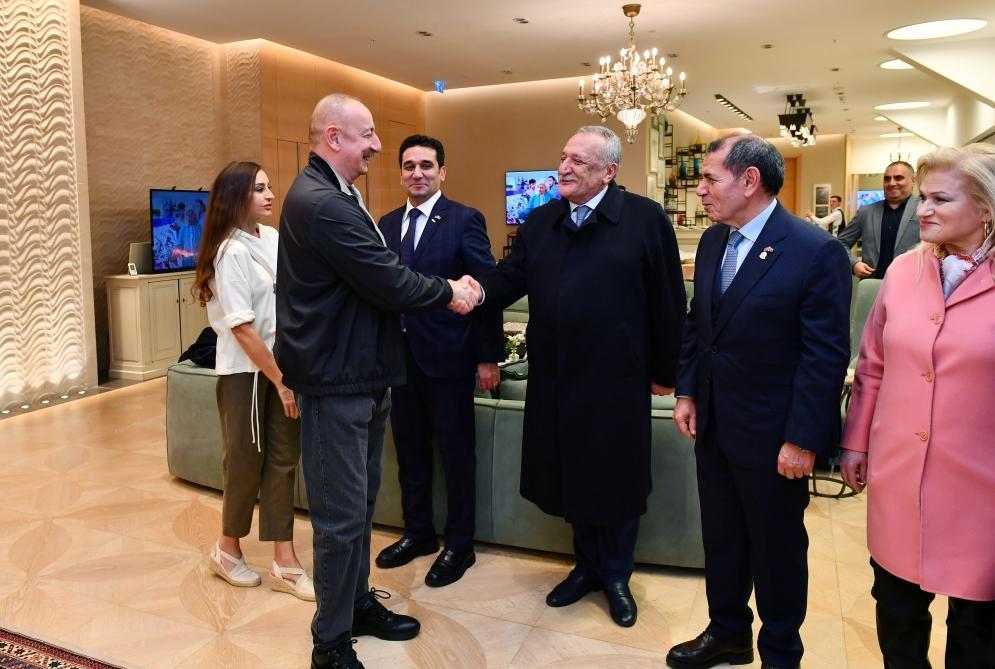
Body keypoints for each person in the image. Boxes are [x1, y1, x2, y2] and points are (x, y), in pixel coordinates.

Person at [274, 94, 479, 669]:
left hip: (360, 374)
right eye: (367, 134)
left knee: (359, 509)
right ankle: (330, 644)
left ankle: (356, 605)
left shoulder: (340, 193)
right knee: (339, 521)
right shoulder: (322, 202)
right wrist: (450, 291)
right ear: (333, 137)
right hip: (336, 382)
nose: (378, 146)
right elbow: (387, 279)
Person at [477, 125, 686, 628]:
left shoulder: (645, 219)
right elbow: (509, 279)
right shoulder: (541, 221)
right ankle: (586, 567)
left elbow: (668, 300)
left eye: (579, 162)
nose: (564, 169)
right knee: (570, 474)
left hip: (618, 379)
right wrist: (469, 292)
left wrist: (666, 371)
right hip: (556, 377)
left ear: (609, 172)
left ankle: (616, 575)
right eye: (563, 157)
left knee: (615, 478)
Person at [668, 134, 851, 669]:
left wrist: (803, 438)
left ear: (749, 181)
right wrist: (687, 390)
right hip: (714, 425)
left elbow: (824, 355)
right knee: (722, 539)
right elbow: (697, 325)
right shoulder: (712, 242)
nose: (700, 189)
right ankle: (727, 632)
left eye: (710, 178)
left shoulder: (815, 250)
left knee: (776, 550)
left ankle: (780, 652)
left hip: (775, 436)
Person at [840, 144, 995, 669]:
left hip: (982, 489)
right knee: (898, 618)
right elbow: (872, 365)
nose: (922, 210)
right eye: (922, 197)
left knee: (977, 632)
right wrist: (856, 443)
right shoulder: (903, 272)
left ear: (986, 207)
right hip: (901, 478)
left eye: (940, 200)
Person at [374, 134, 503, 586]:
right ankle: (418, 533)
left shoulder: (465, 219)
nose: (417, 173)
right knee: (409, 452)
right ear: (400, 173)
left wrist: (488, 357)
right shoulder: (387, 224)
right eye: (409, 166)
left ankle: (460, 544)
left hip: (449, 357)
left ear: (442, 172)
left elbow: (485, 291)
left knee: (456, 454)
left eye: (426, 165)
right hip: (400, 360)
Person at [192, 162, 314, 602]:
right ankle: (227, 550)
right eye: (259, 188)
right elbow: (242, 328)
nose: (270, 195)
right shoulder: (229, 251)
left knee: (283, 460)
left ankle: (285, 560)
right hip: (246, 373)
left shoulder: (274, 238)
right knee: (245, 462)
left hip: (281, 367)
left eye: (269, 186)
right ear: (236, 196)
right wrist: (280, 382)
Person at [838, 161, 920, 278]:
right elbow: (841, 243)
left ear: (913, 181)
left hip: (911, 283)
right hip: (873, 284)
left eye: (898, 178)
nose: (891, 183)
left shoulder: (925, 210)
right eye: (887, 179)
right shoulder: (866, 212)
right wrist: (854, 264)